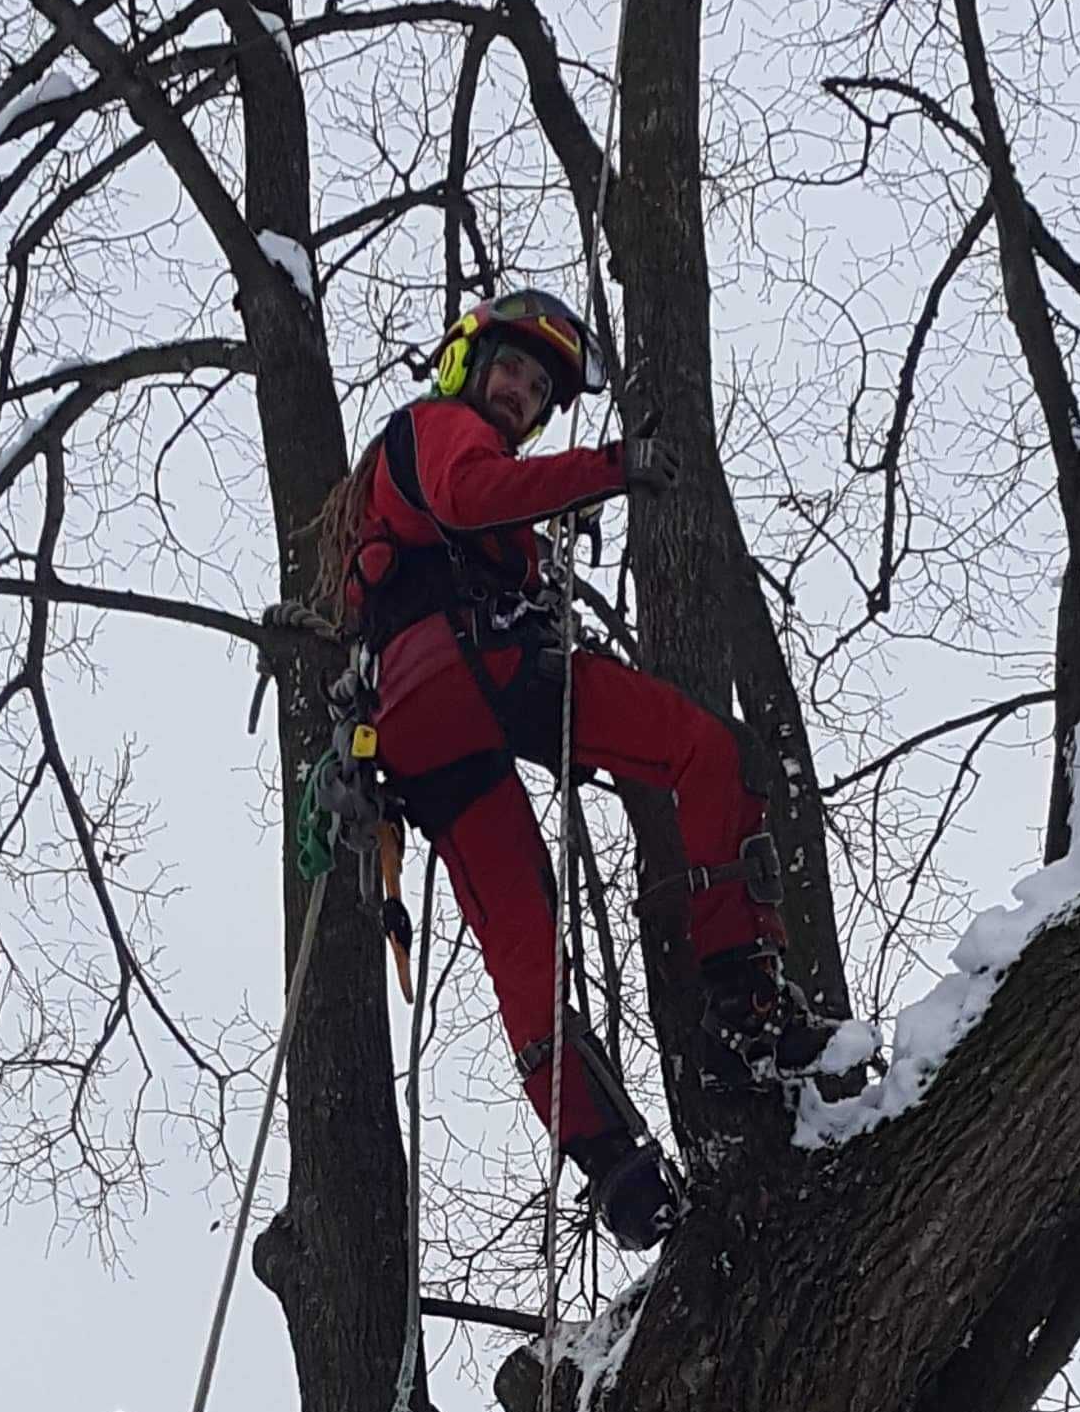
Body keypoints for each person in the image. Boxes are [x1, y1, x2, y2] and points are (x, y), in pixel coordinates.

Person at [313, 288, 834, 1248]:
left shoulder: (422, 477)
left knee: (522, 930)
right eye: (512, 369)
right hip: (483, 670)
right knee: (706, 751)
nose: (522, 391)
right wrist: (611, 468)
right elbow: (471, 494)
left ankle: (616, 1168)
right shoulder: (437, 429)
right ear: (471, 365)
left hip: (423, 727)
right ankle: (746, 1002)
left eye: (541, 388)